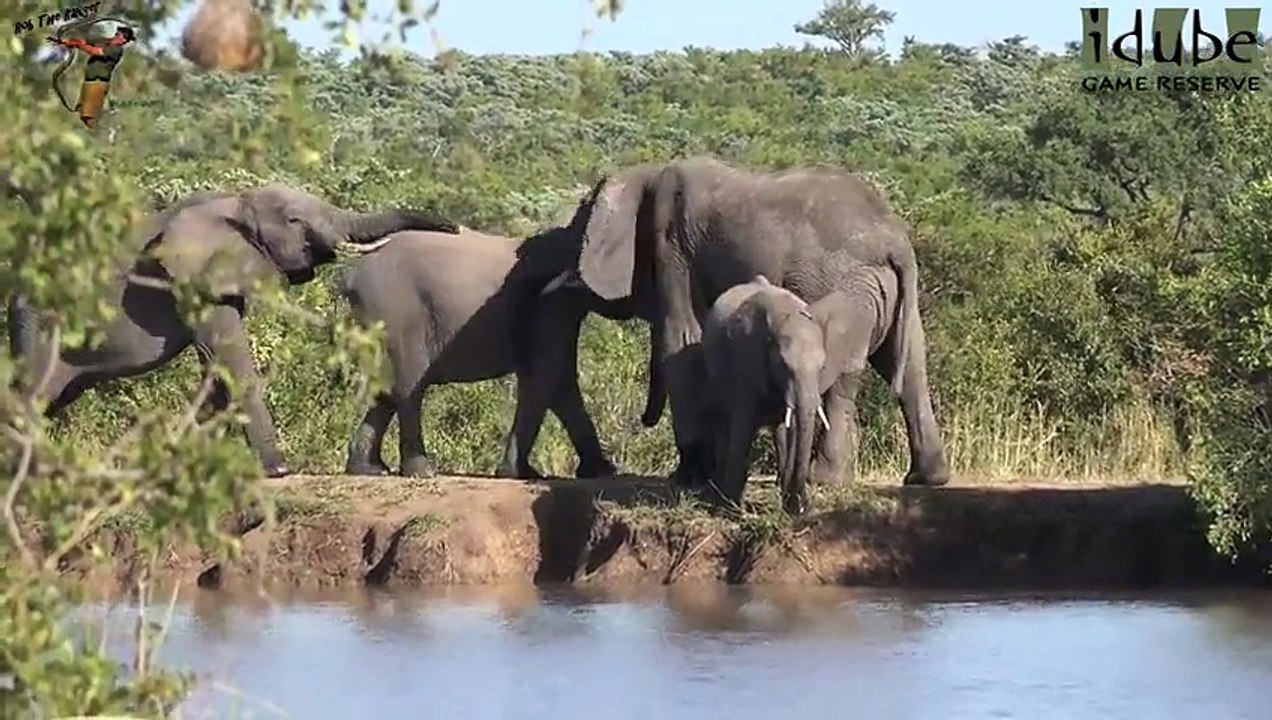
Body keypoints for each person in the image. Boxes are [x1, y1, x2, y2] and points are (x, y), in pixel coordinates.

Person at [46, 25, 136, 129]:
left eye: (118, 35)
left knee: (89, 117)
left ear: (123, 39)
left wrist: (80, 45)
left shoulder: (116, 50)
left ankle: (97, 134)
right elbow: (85, 42)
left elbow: (95, 51)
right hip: (90, 82)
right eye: (115, 34)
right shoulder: (106, 42)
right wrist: (66, 42)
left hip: (98, 83)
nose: (115, 36)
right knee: (82, 113)